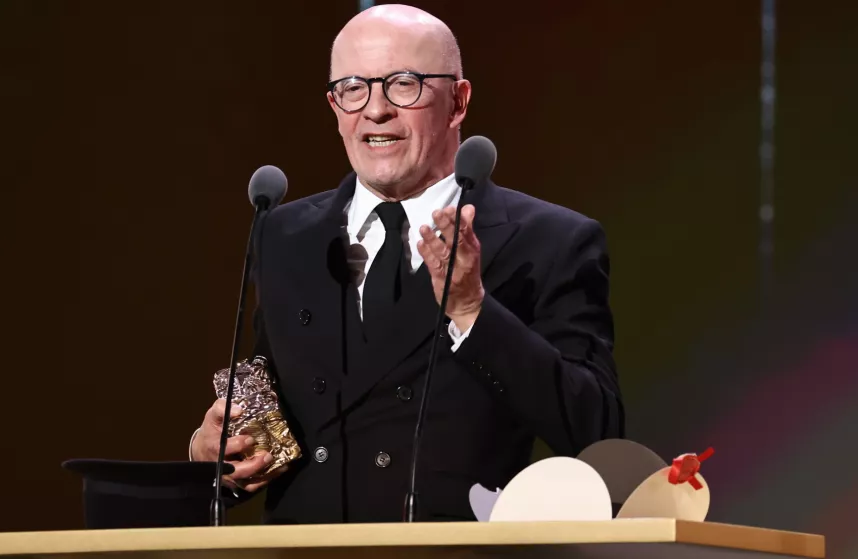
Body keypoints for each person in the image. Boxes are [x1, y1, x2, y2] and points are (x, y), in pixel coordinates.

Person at [190, 3, 623, 524]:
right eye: (353, 87)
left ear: (458, 103)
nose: (375, 110)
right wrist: (220, 453)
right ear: (334, 105)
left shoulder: (549, 241)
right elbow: (281, 415)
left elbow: (596, 430)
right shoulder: (284, 235)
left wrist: (471, 310)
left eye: (404, 84)